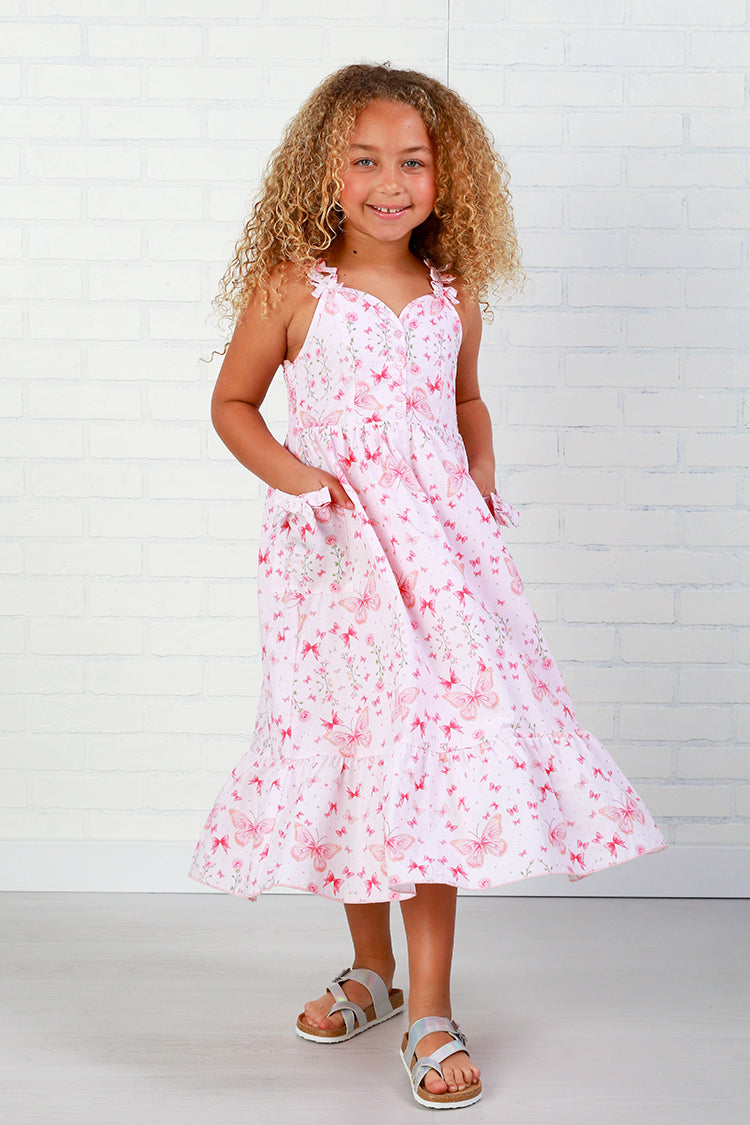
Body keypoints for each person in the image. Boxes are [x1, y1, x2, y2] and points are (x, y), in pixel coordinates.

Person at [190, 63, 667, 1110]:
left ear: (448, 180)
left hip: (445, 564)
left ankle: (435, 1005)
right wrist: (308, 483)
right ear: (325, 169)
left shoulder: (453, 295)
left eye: (413, 161)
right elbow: (233, 404)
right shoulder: (291, 286)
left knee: (431, 765)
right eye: (365, 160)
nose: (390, 181)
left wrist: (479, 470)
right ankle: (373, 971)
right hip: (334, 570)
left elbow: (465, 400)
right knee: (360, 756)